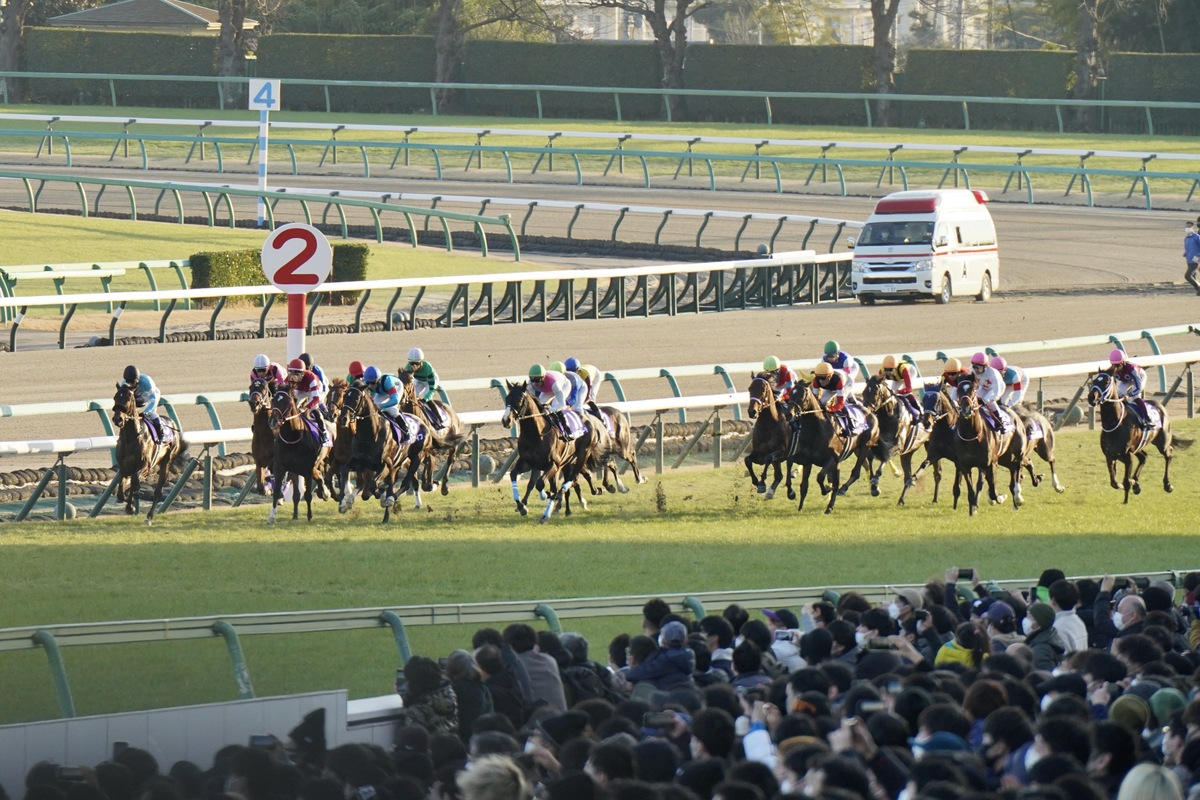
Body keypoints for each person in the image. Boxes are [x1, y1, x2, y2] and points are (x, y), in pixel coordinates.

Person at [286, 358, 332, 448]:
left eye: (297, 375)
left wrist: (306, 407)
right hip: (300, 390)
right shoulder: (288, 379)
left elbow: (316, 399)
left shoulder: (311, 378)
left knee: (313, 407)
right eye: (292, 375)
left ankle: (323, 432)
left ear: (303, 374)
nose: (294, 378)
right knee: (291, 406)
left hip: (313, 390)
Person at [119, 365, 169, 442]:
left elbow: (153, 400)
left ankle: (161, 435)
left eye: (133, 382)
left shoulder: (146, 382)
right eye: (128, 382)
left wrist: (146, 412)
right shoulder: (123, 384)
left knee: (151, 414)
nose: (130, 385)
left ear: (138, 380)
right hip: (135, 400)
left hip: (149, 398)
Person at [363, 365, 411, 440]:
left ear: (378, 380)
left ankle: (405, 429)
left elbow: (394, 400)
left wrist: (381, 406)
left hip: (396, 386)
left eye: (372, 383)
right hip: (381, 391)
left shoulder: (387, 381)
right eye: (368, 383)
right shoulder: (366, 382)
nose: (370, 385)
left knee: (391, 409)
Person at [1108, 349, 1153, 428]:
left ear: (1123, 362)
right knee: (1118, 395)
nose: (1116, 368)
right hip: (1126, 380)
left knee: (1135, 397)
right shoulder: (1113, 369)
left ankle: (1147, 418)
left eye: (1118, 365)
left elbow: (1138, 388)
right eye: (1114, 365)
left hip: (1139, 377)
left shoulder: (1132, 369)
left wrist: (1129, 395)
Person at [969, 352, 1012, 434]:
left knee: (988, 402)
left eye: (978, 367)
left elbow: (996, 392)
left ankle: (1000, 420)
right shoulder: (972, 371)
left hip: (996, 389)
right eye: (974, 366)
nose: (976, 370)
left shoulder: (993, 374)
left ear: (985, 366)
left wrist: (987, 400)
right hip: (984, 388)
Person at [527, 364, 572, 438]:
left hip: (563, 385)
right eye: (533, 381)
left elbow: (562, 404)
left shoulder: (554, 384)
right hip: (547, 388)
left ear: (543, 377)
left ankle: (567, 429)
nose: (535, 384)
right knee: (540, 405)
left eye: (537, 381)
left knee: (555, 404)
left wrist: (550, 410)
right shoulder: (531, 382)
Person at [812, 361, 855, 437]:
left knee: (837, 401)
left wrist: (830, 409)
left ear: (830, 376)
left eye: (823, 378)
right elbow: (814, 398)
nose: (821, 381)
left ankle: (851, 426)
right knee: (822, 402)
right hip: (831, 388)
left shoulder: (838, 379)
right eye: (818, 378)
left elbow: (840, 403)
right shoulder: (816, 380)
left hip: (845, 384)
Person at [1183, 221, 1200, 295]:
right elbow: (1187, 248)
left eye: (1189, 226)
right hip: (1189, 259)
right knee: (1193, 275)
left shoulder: (1196, 237)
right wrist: (1185, 253)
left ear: (1192, 228)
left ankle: (1198, 287)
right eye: (1186, 226)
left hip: (1195, 259)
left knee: (1187, 276)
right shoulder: (1186, 238)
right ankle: (1198, 290)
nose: (1187, 228)